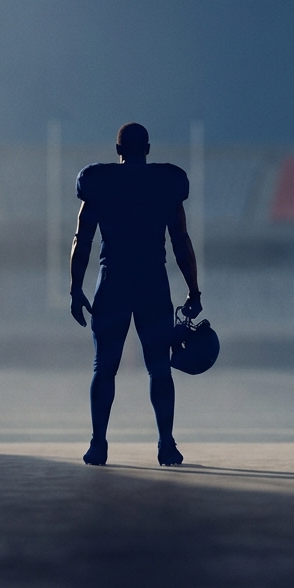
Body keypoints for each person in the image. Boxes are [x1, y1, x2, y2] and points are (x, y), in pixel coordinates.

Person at [70, 122, 202, 466]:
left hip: (112, 279)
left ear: (118, 151)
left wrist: (74, 287)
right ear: (147, 148)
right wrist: (193, 290)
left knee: (104, 368)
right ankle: (166, 444)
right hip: (151, 282)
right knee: (160, 369)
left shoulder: (100, 182)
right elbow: (180, 241)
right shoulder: (165, 183)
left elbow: (81, 239)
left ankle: (98, 444)